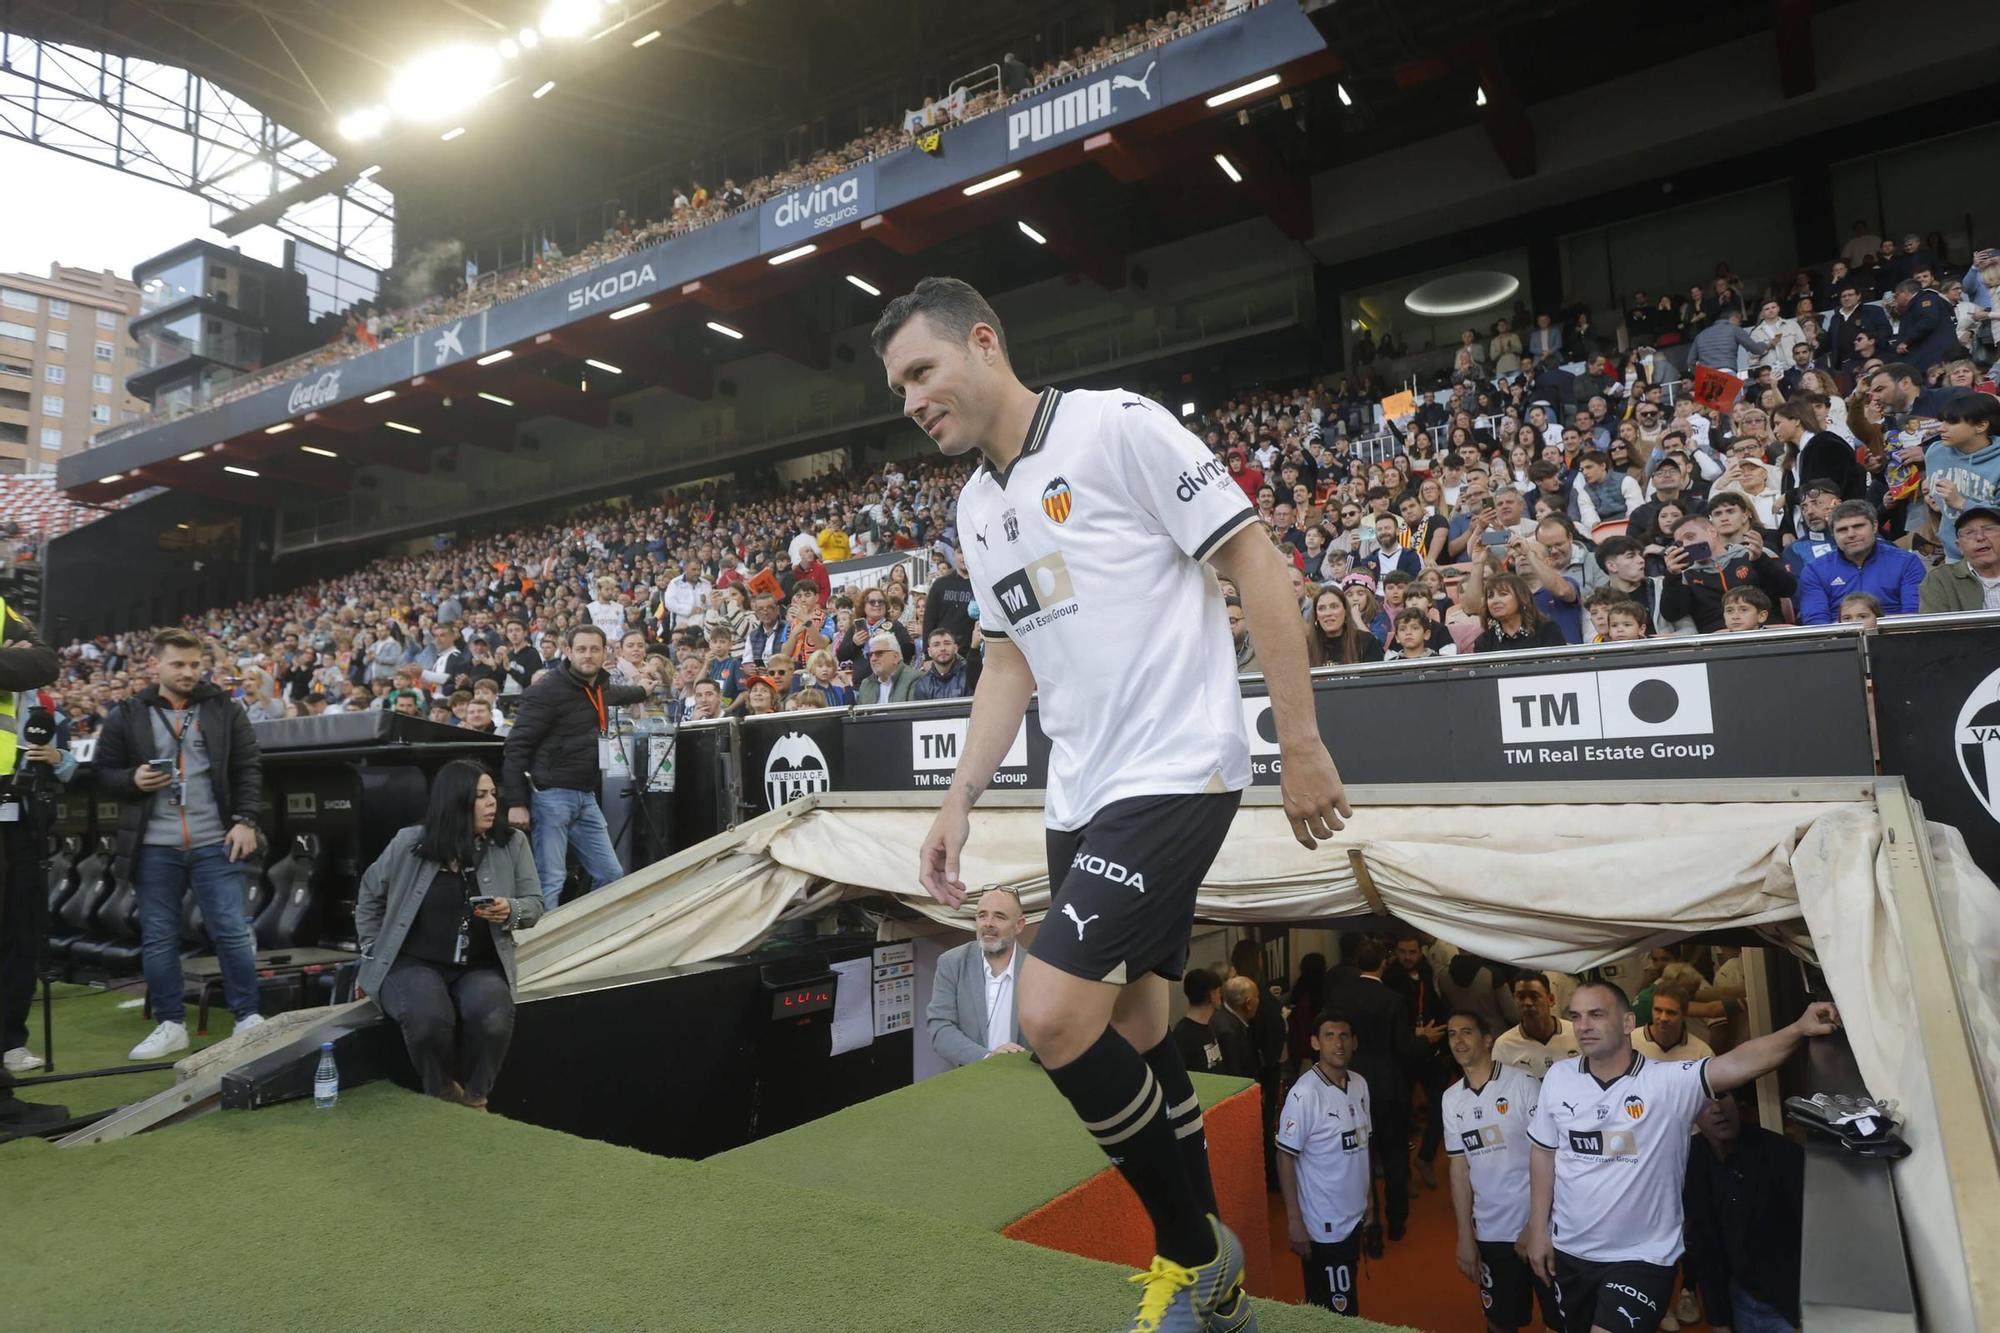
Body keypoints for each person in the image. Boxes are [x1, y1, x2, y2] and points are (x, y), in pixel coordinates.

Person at [878, 276, 1348, 1333]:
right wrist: (957, 800)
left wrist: (1301, 741)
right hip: (1078, 789)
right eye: (897, 385)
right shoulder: (975, 506)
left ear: (984, 343)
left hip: (1177, 767)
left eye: (920, 370)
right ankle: (1211, 1281)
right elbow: (1007, 662)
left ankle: (1195, 1256)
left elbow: (1254, 558)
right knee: (1136, 1029)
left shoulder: (1116, 427)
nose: (908, 399)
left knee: (1049, 1013)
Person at [1523, 983, 1841, 1333]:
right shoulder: (1558, 1078)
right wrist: (1538, 1229)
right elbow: (1543, 1152)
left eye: (1596, 1014)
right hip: (1571, 1251)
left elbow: (1738, 1062)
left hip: (1642, 1257)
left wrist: (1798, 1028)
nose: (1583, 1025)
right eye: (1576, 1016)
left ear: (1628, 1022)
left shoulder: (1666, 1082)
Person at [93, 629, 268, 1060]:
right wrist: (131, 780)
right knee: (158, 937)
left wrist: (247, 820)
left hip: (216, 839)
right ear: (157, 665)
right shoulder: (128, 712)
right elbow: (101, 774)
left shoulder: (224, 708)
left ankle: (248, 1017)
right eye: (178, 664)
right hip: (154, 845)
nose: (188, 672)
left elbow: (249, 768)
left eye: (194, 664)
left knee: (231, 931)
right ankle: (171, 1024)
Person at [352, 760, 542, 1109]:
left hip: (479, 965)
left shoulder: (511, 843)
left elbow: (535, 904)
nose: (491, 803)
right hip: (412, 962)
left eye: (493, 794)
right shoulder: (409, 843)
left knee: (494, 1016)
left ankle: (475, 1098)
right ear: (455, 800)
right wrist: (370, 949)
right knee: (428, 1018)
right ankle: (440, 1091)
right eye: (480, 796)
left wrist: (511, 910)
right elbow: (369, 893)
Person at [501, 625, 658, 910]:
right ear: (568, 651)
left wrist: (642, 690)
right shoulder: (546, 690)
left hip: (585, 795)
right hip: (551, 796)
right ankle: (540, 949)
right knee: (551, 879)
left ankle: (581, 937)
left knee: (611, 874)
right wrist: (516, 802)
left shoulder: (599, 688)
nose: (588, 655)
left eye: (594, 649)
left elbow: (619, 694)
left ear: (604, 653)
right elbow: (516, 746)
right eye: (582, 649)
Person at [1442, 1009, 1557, 1333]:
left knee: (1560, 1322)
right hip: (1491, 1233)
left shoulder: (1522, 1084)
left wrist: (1536, 1225)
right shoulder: (1450, 1100)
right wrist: (1465, 1235)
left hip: (1540, 1229)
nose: (1458, 1041)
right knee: (1501, 1322)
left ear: (1487, 1040)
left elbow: (1549, 1156)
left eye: (1467, 1032)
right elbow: (1459, 1170)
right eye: (1452, 1034)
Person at [1323, 938, 1433, 1243]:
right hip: (1390, 1088)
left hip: (1351, 1086)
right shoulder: (1394, 999)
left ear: (1357, 964)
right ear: (1383, 964)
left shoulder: (1341, 998)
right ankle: (1396, 1221)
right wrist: (1426, 1040)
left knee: (1360, 1159)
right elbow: (1403, 1047)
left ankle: (1369, 1227)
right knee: (1395, 1155)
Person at [0, 605, 69, 1094]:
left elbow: (44, 661)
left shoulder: (43, 704)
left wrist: (58, 758)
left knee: (23, 933)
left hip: (23, 816)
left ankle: (10, 1039)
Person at [1277, 1011, 1373, 1319]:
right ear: (1315, 1042)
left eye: (1344, 1035)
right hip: (1324, 1225)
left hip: (1353, 1217)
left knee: (1342, 1305)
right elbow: (1285, 1156)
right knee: (1336, 1314)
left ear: (1354, 1041)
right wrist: (1294, 1221)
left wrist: (1369, 1200)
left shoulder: (1359, 1085)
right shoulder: (1304, 1095)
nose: (1339, 1043)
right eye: (1330, 1036)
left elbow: (1363, 1146)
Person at [1684, 1091, 1805, 1333]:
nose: (1717, 1108)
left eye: (1722, 1097)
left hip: (1791, 1307)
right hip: (1740, 1300)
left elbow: (1817, 1238)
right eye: (1705, 1103)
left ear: (1737, 1102)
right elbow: (1704, 1243)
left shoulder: (1782, 1154)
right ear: (1691, 1116)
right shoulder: (1691, 1160)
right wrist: (1718, 1320)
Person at [924, 887, 1027, 1068]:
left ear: (1019, 925)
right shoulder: (952, 963)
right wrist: (986, 1058)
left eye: (999, 916)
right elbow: (941, 1029)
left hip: (1022, 1079)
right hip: (968, 1079)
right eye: (982, 915)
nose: (988, 923)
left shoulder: (1037, 969)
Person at [1795, 499, 1926, 623]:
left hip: (1896, 639)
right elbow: (1816, 621)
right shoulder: (1815, 570)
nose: (1851, 534)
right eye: (1842, 530)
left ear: (1874, 527)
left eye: (1858, 526)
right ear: (1833, 534)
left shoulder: (1906, 563)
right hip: (1840, 641)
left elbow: (1914, 615)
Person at [1922, 389, 2000, 560]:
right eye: (1942, 421)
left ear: (1981, 426)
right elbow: (1940, 506)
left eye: (1952, 422)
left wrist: (1962, 503)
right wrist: (1933, 501)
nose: (1941, 428)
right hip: (1954, 554)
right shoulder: (1935, 452)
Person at [1174, 968, 1257, 1079]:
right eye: (1218, 991)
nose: (1220, 996)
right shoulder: (1183, 1034)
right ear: (1211, 996)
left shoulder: (1211, 1025)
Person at [1492, 973, 1579, 1077]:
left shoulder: (1576, 1033)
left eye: (1534, 996)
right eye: (1521, 997)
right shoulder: (1504, 1045)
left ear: (1550, 999)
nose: (1528, 1003)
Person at [1919, 503, 2000, 612]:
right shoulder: (1941, 579)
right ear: (1959, 546)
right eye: (1969, 532)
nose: (1980, 537)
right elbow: (1936, 628)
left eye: (1988, 529)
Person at [1630, 984, 1713, 1063]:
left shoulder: (1701, 1053)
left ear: (1684, 1015)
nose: (1663, 1018)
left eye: (1670, 1012)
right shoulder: (1630, 1043)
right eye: (1658, 1010)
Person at [855, 631, 919, 704]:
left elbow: (912, 714)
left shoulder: (914, 679)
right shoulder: (866, 684)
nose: (873, 659)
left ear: (895, 657)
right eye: (870, 655)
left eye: (879, 653)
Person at [911, 627, 973, 701]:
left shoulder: (970, 677)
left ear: (955, 648)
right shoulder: (923, 684)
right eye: (936, 645)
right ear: (929, 652)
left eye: (947, 643)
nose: (942, 648)